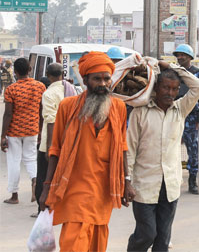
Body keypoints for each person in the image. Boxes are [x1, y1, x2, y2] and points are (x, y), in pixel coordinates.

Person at [38, 51, 134, 252]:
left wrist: (126, 181)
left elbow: (123, 146)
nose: (103, 84)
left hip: (103, 188)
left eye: (106, 79)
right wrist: (47, 187)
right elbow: (55, 149)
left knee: (97, 243)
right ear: (85, 79)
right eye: (96, 79)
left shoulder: (118, 107)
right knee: (74, 243)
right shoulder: (67, 106)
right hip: (73, 187)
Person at [127, 61, 199, 251]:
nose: (170, 93)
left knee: (163, 238)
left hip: (170, 185)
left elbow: (198, 86)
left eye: (174, 89)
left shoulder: (180, 109)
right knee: (146, 234)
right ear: (156, 88)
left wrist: (171, 66)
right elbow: (130, 149)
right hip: (144, 185)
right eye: (165, 88)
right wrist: (126, 180)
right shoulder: (140, 112)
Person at [1, 58, 45, 205]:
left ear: (15, 72)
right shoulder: (40, 87)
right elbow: (41, 110)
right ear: (30, 70)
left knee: (14, 160)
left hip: (14, 131)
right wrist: (40, 130)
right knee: (31, 159)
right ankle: (35, 183)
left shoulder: (11, 89)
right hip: (32, 129)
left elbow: (8, 114)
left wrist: (2, 135)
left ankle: (14, 195)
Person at [35, 63, 76, 216]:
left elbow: (51, 121)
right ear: (62, 74)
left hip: (50, 142)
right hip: (69, 139)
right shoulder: (72, 89)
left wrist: (50, 147)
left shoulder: (49, 94)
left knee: (44, 178)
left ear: (48, 75)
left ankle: (43, 210)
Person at [173, 43, 199, 195]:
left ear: (190, 57)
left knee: (193, 151)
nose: (180, 57)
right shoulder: (173, 73)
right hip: (174, 114)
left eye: (183, 55)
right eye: (178, 55)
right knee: (171, 149)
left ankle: (192, 181)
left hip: (191, 117)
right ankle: (173, 180)